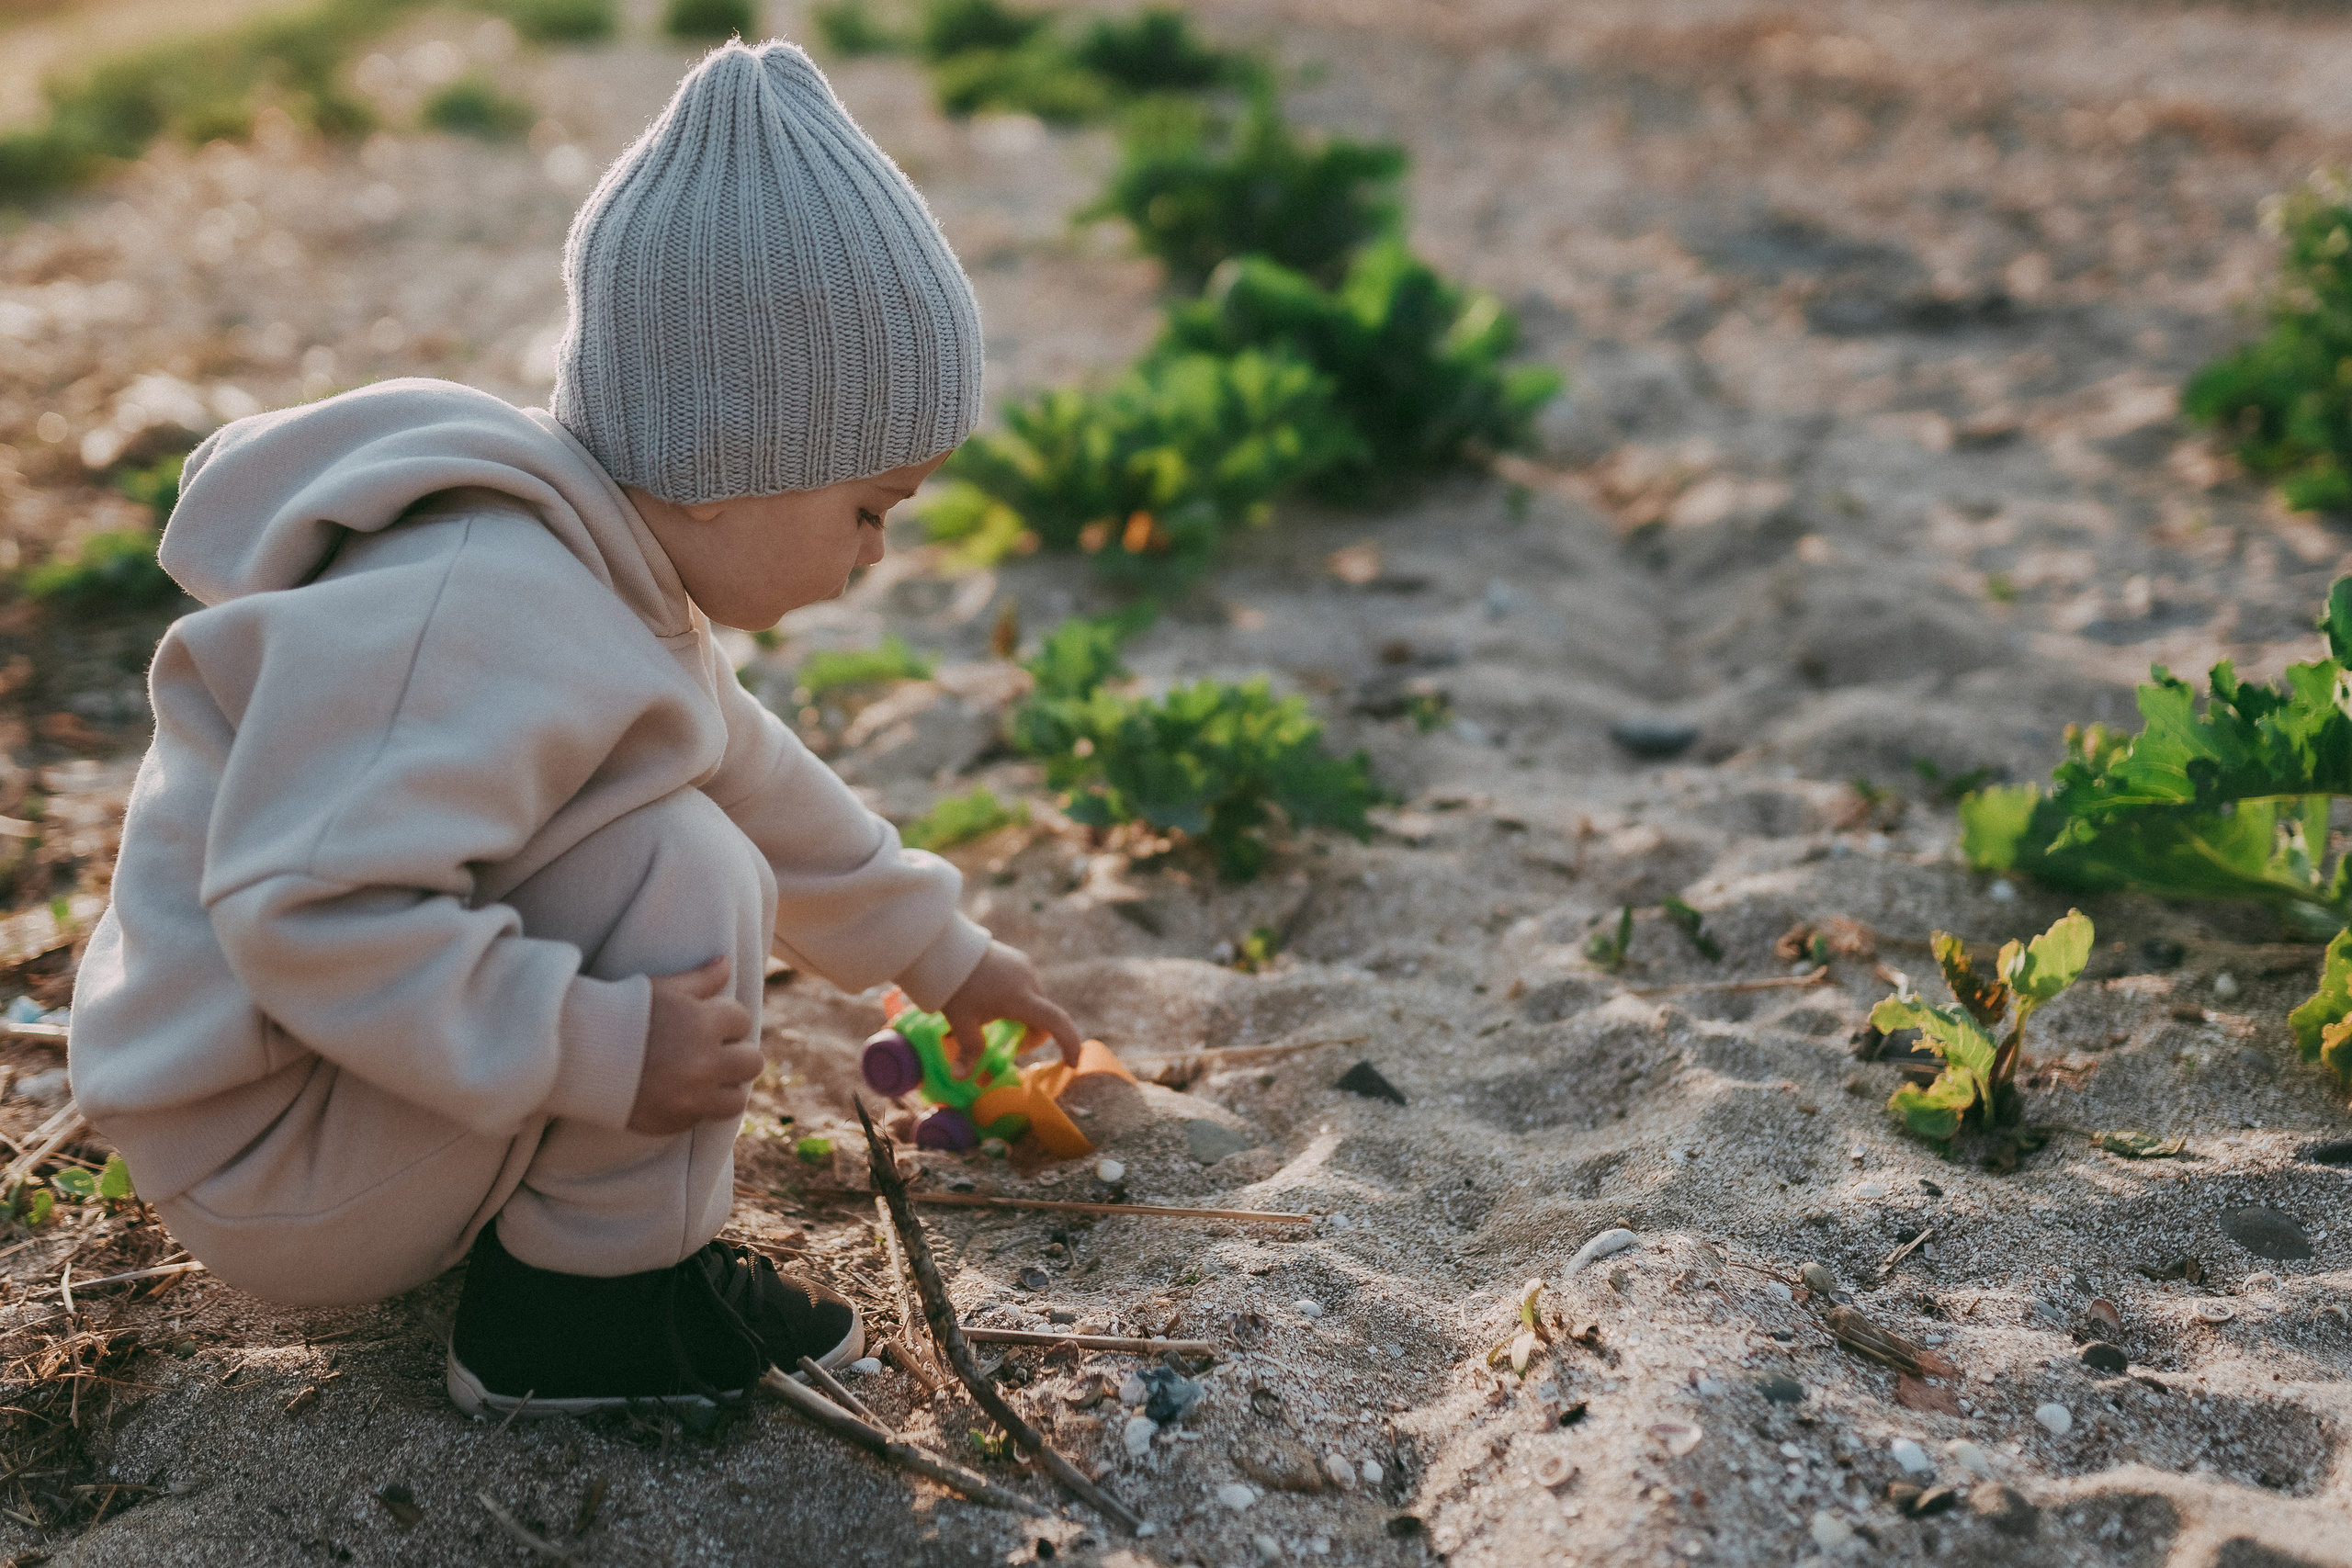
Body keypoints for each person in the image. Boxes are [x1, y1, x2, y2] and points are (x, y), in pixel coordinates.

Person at [65, 39, 1077, 1418]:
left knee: (697, 823)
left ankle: (559, 1253)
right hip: (276, 1152)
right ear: (734, 463)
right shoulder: (483, 607)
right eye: (868, 510)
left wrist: (946, 957)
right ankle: (587, 1317)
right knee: (685, 869)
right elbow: (303, 904)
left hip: (328, 1090)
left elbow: (764, 772)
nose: (878, 555)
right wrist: (593, 1048)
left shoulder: (588, 573)